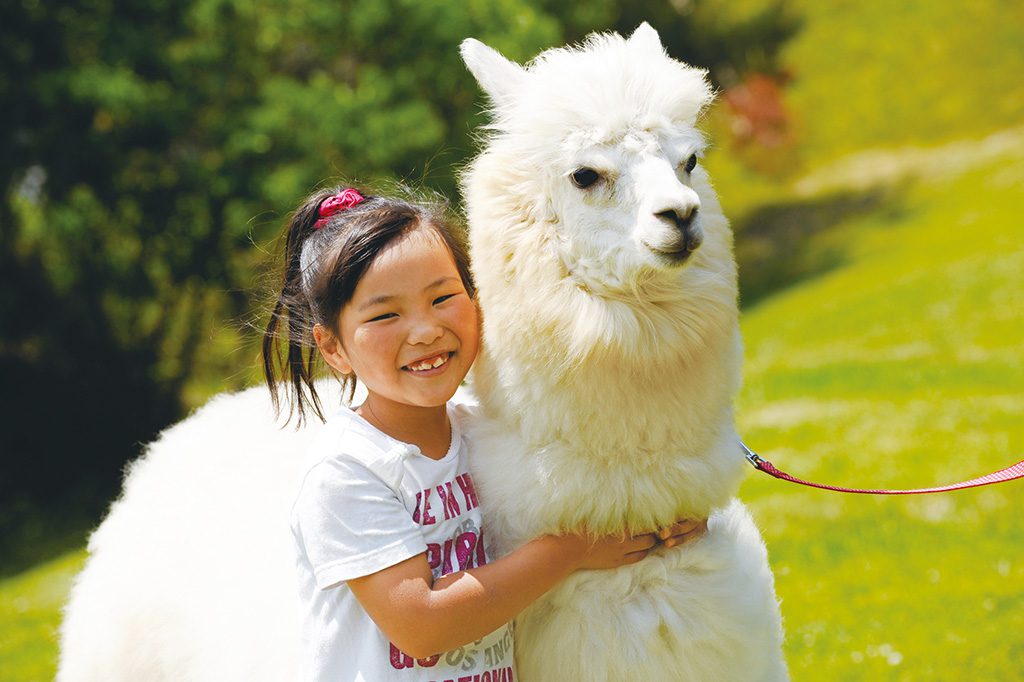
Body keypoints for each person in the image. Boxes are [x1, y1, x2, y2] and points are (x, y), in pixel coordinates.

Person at [262, 185, 707, 681]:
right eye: (386, 314)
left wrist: (663, 519)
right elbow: (422, 625)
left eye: (443, 297)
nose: (426, 330)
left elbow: (590, 481)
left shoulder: (484, 431)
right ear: (333, 347)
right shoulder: (348, 471)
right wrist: (570, 550)